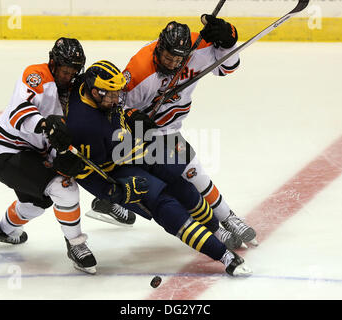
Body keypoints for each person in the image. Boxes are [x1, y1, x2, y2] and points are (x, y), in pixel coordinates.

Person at [60, 59, 252, 276]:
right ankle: (224, 256)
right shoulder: (83, 126)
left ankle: (217, 231)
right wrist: (113, 193)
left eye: (117, 92)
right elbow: (83, 172)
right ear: (95, 92)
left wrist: (130, 116)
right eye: (112, 94)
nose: (117, 98)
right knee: (168, 209)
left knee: (182, 186)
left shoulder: (85, 86)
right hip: (120, 171)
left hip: (134, 149)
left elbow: (115, 109)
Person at [90, 17, 258, 246]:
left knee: (179, 177)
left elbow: (227, 67)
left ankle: (111, 201)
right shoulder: (140, 69)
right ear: (159, 47)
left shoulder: (197, 49)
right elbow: (113, 105)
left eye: (178, 59)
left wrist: (229, 42)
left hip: (168, 128)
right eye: (168, 57)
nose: (172, 63)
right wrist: (131, 116)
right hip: (140, 132)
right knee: (189, 171)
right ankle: (225, 221)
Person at [0, 37, 97, 274]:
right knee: (63, 187)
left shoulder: (73, 92)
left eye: (74, 71)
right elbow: (19, 111)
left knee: (36, 203)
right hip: (7, 151)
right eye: (65, 70)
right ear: (53, 64)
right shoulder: (36, 75)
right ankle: (76, 245)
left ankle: (1, 230)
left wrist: (63, 153)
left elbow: (63, 133)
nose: (69, 76)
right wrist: (44, 124)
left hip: (34, 152)